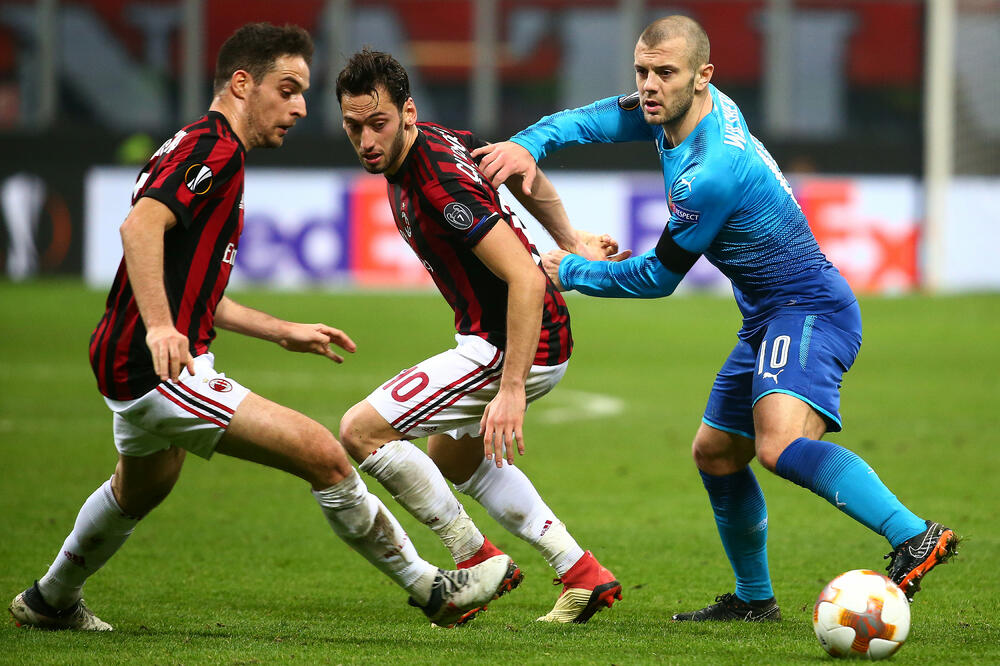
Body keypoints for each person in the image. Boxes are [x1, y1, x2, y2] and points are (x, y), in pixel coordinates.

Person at [7, 23, 514, 633]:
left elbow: (192, 287)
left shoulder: (205, 146)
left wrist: (279, 330)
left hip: (132, 356)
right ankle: (434, 589)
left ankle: (50, 599)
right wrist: (162, 329)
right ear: (243, 84)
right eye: (289, 89)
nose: (301, 107)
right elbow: (138, 229)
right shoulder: (213, 149)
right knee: (325, 454)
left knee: (142, 485)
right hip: (157, 367)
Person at [473, 15, 958, 621]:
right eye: (642, 72)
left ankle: (913, 534)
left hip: (808, 310)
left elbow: (656, 277)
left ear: (703, 77)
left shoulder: (712, 172)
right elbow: (594, 119)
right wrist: (531, 143)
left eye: (664, 73)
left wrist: (567, 269)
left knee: (780, 445)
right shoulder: (677, 109)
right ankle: (754, 601)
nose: (649, 85)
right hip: (765, 317)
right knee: (717, 454)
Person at [334, 48, 623, 625]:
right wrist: (570, 238)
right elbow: (523, 171)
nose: (366, 139)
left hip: (513, 340)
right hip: (514, 334)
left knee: (361, 432)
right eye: (353, 126)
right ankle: (581, 573)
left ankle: (476, 558)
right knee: (450, 453)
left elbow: (524, 280)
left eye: (378, 123)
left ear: (408, 113)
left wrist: (511, 387)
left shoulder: (439, 181)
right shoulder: (440, 140)